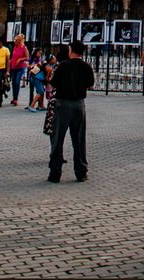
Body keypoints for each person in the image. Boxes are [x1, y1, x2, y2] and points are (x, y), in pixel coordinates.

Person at [47, 39, 95, 183]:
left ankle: (55, 172)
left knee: (57, 139)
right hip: (79, 105)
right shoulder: (87, 67)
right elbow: (90, 84)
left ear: (71, 50)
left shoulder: (63, 66)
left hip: (63, 104)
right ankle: (81, 171)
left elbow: (54, 83)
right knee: (79, 139)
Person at [43, 45, 70, 147]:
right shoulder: (61, 67)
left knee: (55, 127)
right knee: (56, 127)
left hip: (55, 99)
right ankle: (56, 150)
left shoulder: (59, 66)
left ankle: (56, 150)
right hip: (58, 99)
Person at [9, 34, 29, 107]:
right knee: (13, 82)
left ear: (20, 41)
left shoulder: (24, 48)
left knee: (17, 82)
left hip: (21, 67)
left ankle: (16, 99)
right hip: (14, 66)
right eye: (15, 40)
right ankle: (14, 97)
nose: (15, 41)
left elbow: (27, 57)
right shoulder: (14, 47)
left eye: (16, 40)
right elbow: (12, 57)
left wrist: (20, 59)